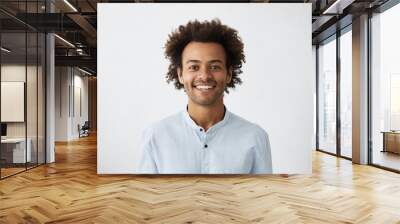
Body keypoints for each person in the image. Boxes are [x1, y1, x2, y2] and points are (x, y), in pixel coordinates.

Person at [138, 19, 272, 174]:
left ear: (229, 73)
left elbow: (263, 197)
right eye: (194, 67)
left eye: (214, 67)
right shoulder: (155, 136)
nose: (204, 76)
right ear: (180, 74)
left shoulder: (255, 137)